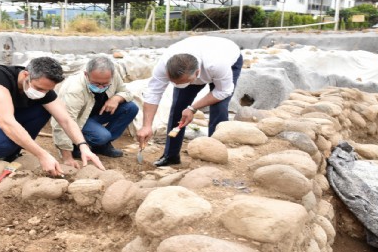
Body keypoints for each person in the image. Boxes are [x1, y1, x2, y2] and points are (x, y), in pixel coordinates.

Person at [0, 57, 105, 179]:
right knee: (4, 143)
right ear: (26, 74)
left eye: (47, 90)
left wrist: (83, 146)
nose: (42, 93)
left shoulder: (42, 88)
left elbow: (66, 119)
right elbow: (7, 123)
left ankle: (11, 153)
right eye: (39, 88)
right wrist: (42, 155)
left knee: (43, 110)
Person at [137, 36, 243, 167]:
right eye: (174, 83)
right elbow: (153, 93)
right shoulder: (165, 64)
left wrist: (193, 108)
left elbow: (223, 91)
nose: (179, 85)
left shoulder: (218, 64)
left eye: (184, 82)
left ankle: (214, 156)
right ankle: (171, 156)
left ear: (197, 73)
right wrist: (147, 126)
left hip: (227, 58)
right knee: (178, 109)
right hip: (193, 67)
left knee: (219, 108)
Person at [51, 56, 139, 168]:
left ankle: (101, 146)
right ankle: (76, 147)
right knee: (102, 136)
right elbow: (63, 122)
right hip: (79, 120)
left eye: (105, 84)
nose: (101, 87)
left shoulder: (113, 76)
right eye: (96, 84)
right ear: (86, 74)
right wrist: (67, 157)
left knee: (130, 108)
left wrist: (117, 98)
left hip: (96, 115)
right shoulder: (74, 89)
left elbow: (126, 92)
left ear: (111, 76)